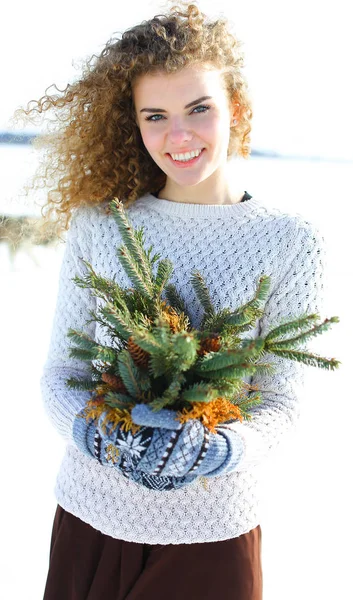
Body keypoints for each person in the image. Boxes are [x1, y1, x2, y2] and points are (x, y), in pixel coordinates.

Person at [21, 2, 325, 599]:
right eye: (155, 115)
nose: (178, 136)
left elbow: (284, 398)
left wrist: (222, 448)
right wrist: (95, 433)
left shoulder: (290, 241)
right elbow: (62, 374)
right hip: (93, 516)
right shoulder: (102, 225)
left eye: (199, 109)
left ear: (236, 110)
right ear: (132, 123)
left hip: (215, 529)